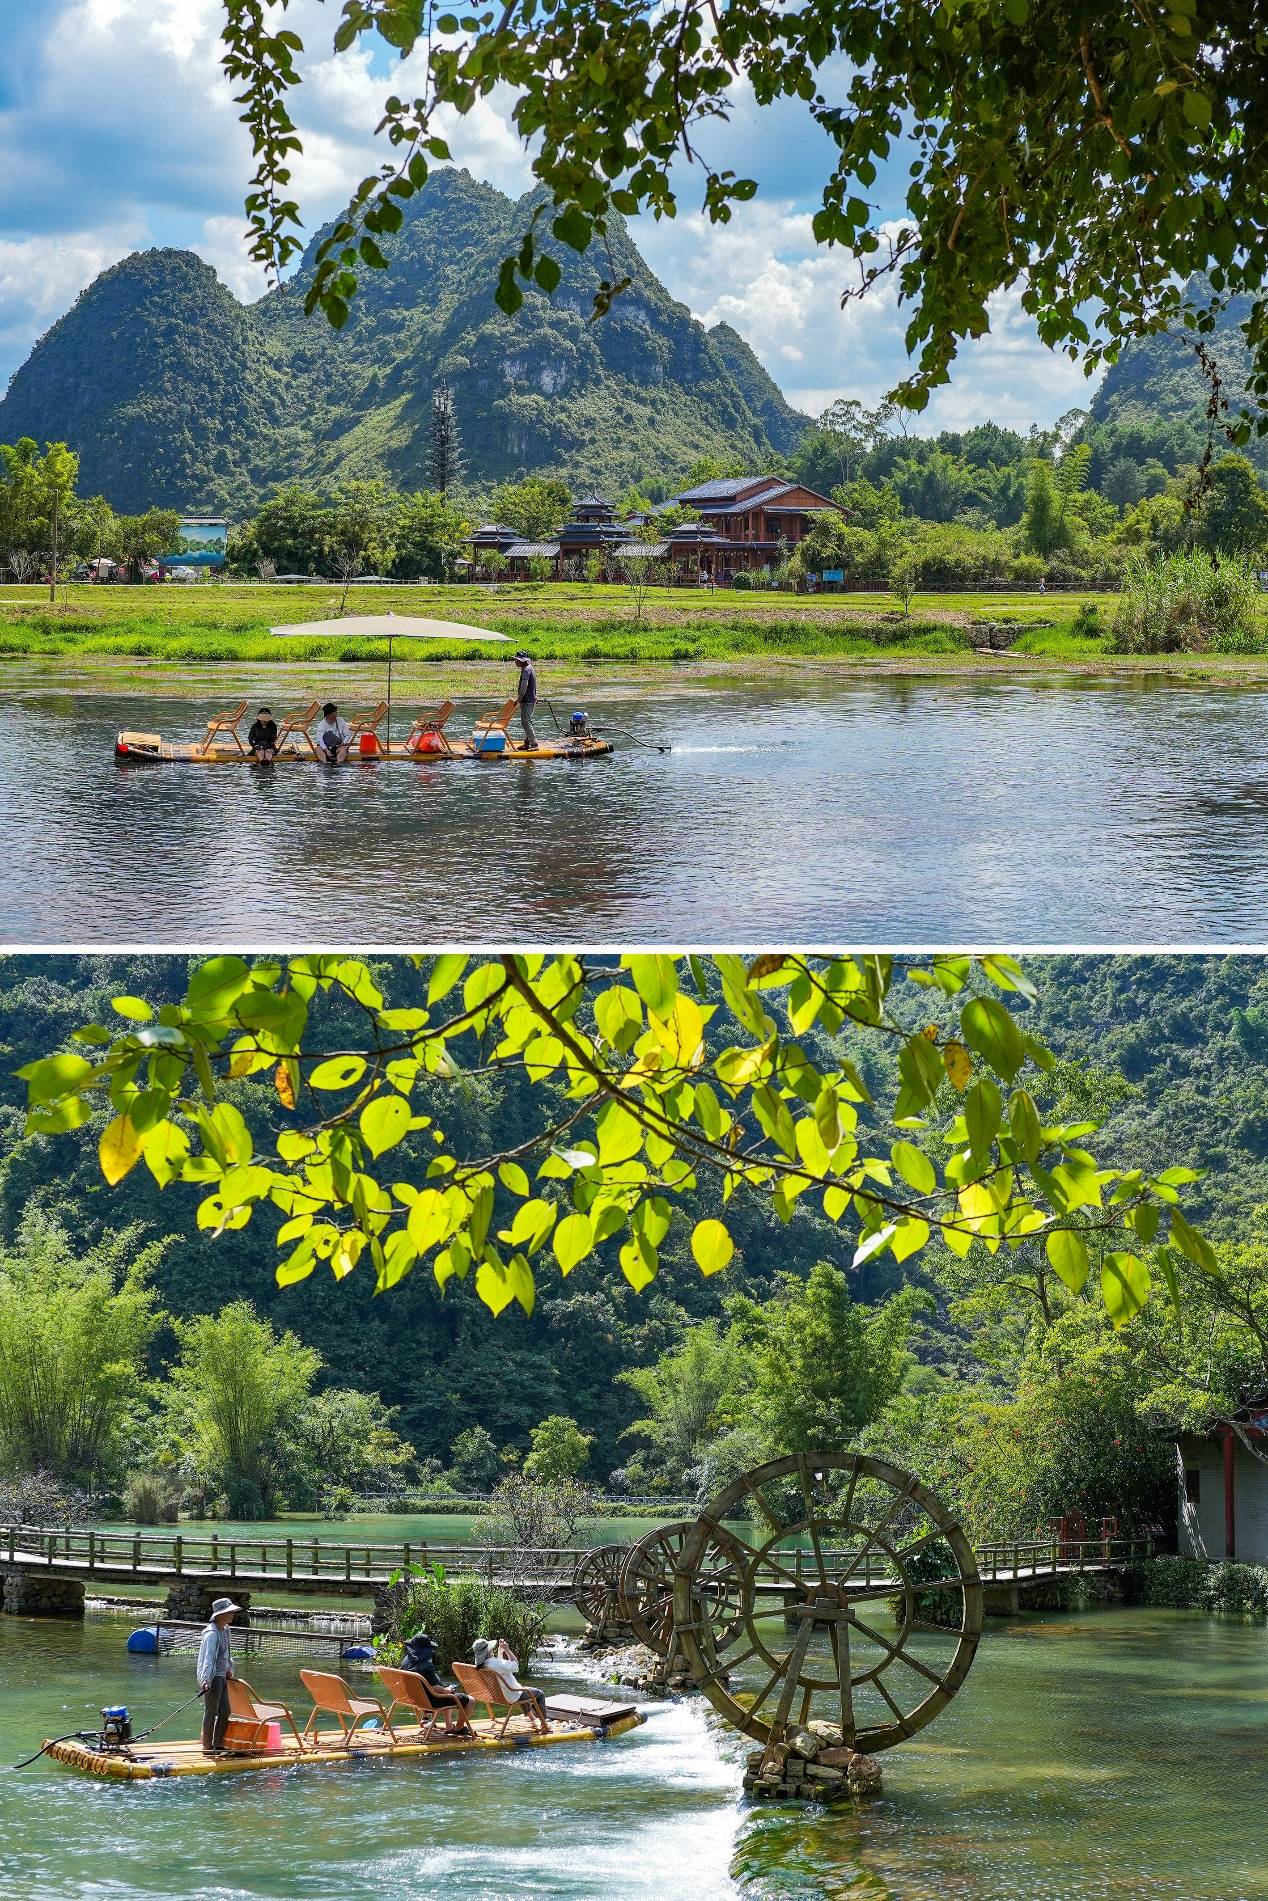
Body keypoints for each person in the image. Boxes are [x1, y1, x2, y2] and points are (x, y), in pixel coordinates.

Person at [471, 1635, 550, 1732]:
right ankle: (544, 1724)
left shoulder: (483, 1665)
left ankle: (532, 1718)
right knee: (539, 1694)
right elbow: (515, 1665)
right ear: (488, 1651)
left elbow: (500, 1665)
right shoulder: (495, 1664)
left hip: (496, 1696)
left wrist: (500, 1651)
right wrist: (507, 1650)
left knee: (522, 1690)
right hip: (511, 1696)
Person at [402, 1628, 473, 1733]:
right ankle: (458, 1728)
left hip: (414, 1699)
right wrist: (447, 1690)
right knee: (470, 1700)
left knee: (445, 1693)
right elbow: (435, 1688)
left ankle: (446, 1724)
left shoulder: (406, 1661)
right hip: (430, 1703)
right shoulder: (426, 1666)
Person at [196, 1595, 241, 1755]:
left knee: (225, 1710)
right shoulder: (211, 1634)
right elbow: (208, 1659)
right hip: (212, 1677)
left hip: (222, 1676)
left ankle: (218, 1743)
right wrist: (206, 1680)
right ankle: (208, 1747)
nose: (232, 1614)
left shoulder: (226, 1630)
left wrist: (229, 1668)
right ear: (220, 1615)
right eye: (229, 1612)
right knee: (211, 1711)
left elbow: (227, 1654)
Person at [513, 652, 538, 751]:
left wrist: (518, 699)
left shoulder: (526, 670)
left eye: (517, 660)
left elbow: (524, 686)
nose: (515, 662)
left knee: (525, 722)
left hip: (527, 700)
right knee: (528, 721)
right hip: (531, 699)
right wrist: (535, 696)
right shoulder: (529, 668)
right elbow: (534, 684)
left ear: (521, 661)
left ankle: (534, 744)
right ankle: (527, 743)